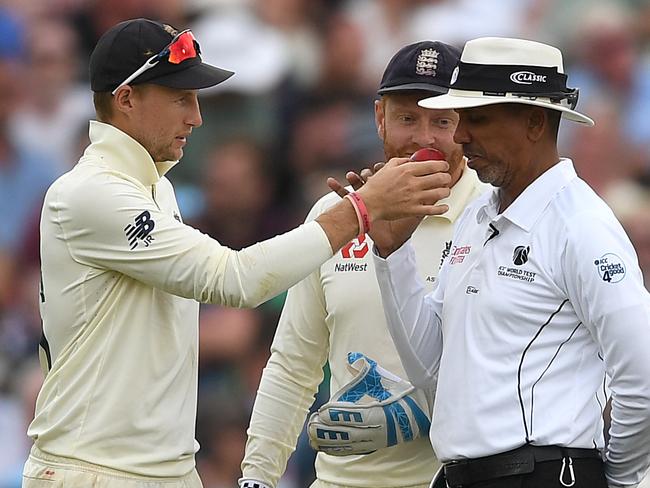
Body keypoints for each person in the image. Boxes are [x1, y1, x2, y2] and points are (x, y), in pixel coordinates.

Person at [21, 19, 453, 488]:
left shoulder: (156, 189)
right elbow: (235, 279)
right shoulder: (90, 193)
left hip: (162, 470)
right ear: (126, 99)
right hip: (92, 471)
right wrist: (362, 209)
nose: (196, 116)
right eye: (180, 97)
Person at [366, 37, 650, 488]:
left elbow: (643, 374)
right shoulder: (481, 215)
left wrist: (616, 477)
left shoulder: (581, 225)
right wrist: (391, 253)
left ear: (535, 123)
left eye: (477, 118)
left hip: (547, 473)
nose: (459, 134)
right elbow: (433, 371)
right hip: (466, 475)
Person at [239, 41, 487, 488]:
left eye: (442, 121)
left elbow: (519, 364)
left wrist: (414, 412)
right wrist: (257, 477)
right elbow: (293, 364)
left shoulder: (493, 217)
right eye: (408, 118)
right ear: (379, 118)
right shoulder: (334, 218)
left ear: (466, 126)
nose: (424, 138)